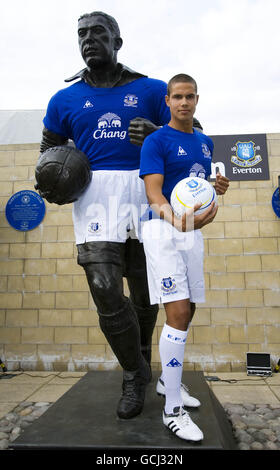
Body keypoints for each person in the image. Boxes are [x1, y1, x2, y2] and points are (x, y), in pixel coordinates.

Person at [40, 11, 206, 420]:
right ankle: (134, 375)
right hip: (96, 193)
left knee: (147, 293)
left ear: (117, 40)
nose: (88, 39)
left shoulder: (151, 89)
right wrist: (52, 180)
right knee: (104, 285)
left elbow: (194, 130)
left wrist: (157, 132)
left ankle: (149, 360)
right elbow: (47, 150)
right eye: (82, 34)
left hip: (146, 188)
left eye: (98, 32)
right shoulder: (64, 99)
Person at [139, 73, 229, 441]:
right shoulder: (156, 140)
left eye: (190, 96)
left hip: (191, 233)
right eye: (177, 97)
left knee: (188, 309)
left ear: (197, 99)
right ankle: (172, 408)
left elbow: (199, 188)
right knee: (175, 313)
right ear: (167, 101)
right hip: (162, 231)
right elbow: (154, 194)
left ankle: (165, 381)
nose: (184, 103)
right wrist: (176, 221)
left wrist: (216, 189)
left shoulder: (205, 142)